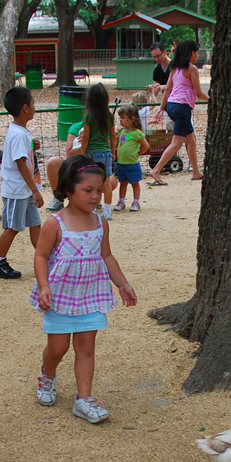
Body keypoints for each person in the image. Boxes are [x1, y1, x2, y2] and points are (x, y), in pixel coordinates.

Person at [31, 154, 136, 423]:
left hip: (90, 295)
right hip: (61, 297)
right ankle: (47, 374)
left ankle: (84, 398)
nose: (95, 196)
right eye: (88, 190)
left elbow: (107, 256)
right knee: (57, 348)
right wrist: (43, 287)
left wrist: (122, 283)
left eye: (99, 190)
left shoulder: (101, 223)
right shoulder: (55, 223)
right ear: (68, 189)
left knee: (86, 346)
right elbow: (41, 256)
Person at [0, 87, 44, 280]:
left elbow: (22, 154)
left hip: (24, 190)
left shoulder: (21, 132)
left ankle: (45, 258)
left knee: (35, 223)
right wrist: (35, 190)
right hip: (17, 190)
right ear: (25, 108)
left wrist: (32, 145)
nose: (35, 107)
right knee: (12, 226)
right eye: (34, 103)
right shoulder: (18, 134)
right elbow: (20, 163)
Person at [148, 40, 206, 184]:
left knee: (191, 139)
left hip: (171, 106)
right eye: (197, 52)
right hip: (182, 108)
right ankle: (156, 170)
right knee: (177, 143)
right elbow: (198, 92)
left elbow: (167, 89)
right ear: (192, 53)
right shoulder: (191, 69)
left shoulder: (175, 68)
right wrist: (213, 100)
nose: (198, 55)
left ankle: (196, 172)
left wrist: (162, 108)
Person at [78, 83, 117, 218]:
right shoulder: (109, 116)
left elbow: (86, 137)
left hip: (93, 152)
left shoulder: (89, 116)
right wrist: (113, 151)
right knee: (106, 181)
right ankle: (107, 210)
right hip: (106, 152)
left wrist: (82, 153)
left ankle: (93, 209)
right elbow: (112, 135)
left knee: (92, 182)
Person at [113, 106, 149, 211]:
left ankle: (136, 201)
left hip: (132, 163)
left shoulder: (137, 133)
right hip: (121, 162)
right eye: (120, 118)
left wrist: (138, 153)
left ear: (132, 119)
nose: (121, 120)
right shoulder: (122, 132)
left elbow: (145, 146)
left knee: (135, 183)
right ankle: (121, 201)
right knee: (122, 183)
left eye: (123, 118)